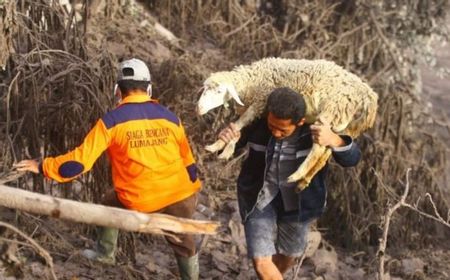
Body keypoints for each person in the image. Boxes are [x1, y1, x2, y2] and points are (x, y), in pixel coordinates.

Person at [14, 58, 202, 280]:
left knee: (110, 201)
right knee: (183, 241)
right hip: (183, 194)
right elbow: (189, 164)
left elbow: (77, 164)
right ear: (149, 88)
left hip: (142, 199)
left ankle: (105, 253)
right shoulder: (171, 118)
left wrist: (42, 166)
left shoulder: (111, 122)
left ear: (117, 91)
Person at [218, 87, 361, 280]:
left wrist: (334, 140)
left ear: (300, 122)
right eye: (271, 126)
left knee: (288, 254)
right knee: (261, 261)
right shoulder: (257, 125)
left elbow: (352, 159)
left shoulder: (317, 132)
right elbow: (226, 151)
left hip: (299, 204)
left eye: (282, 129)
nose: (275, 133)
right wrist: (227, 140)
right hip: (259, 199)